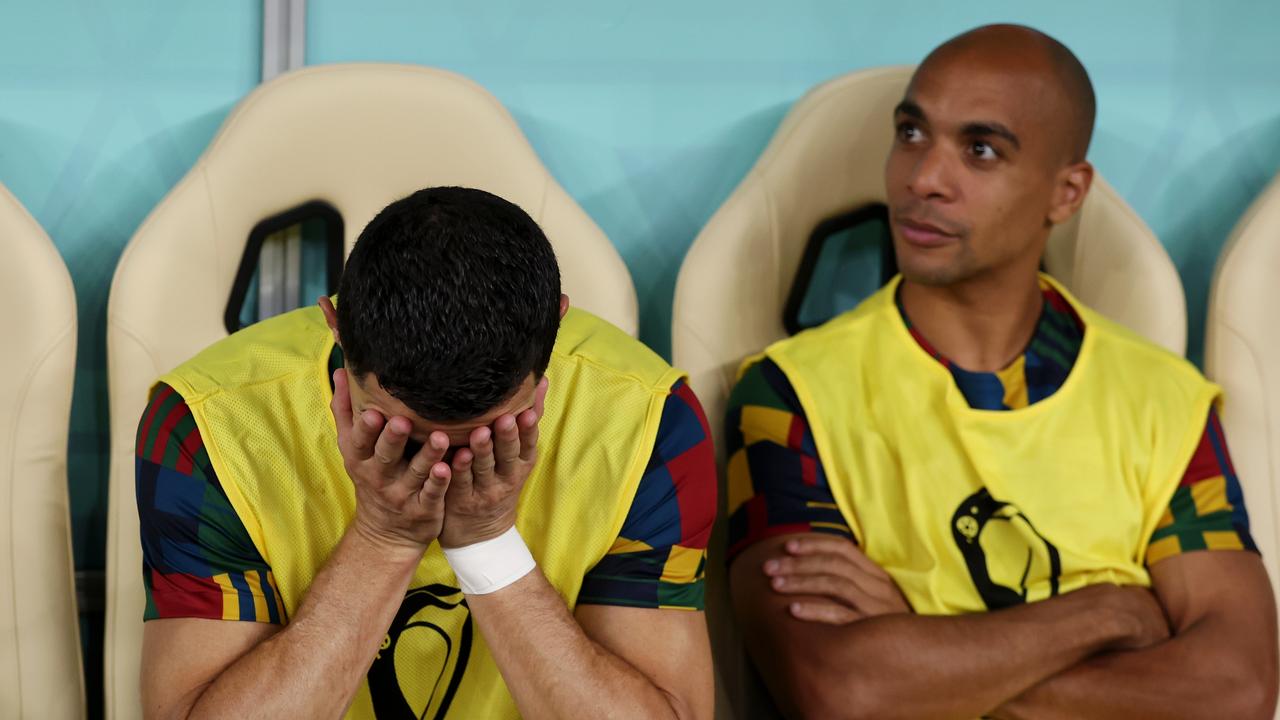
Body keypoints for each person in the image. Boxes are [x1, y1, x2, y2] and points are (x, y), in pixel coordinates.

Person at [726, 24, 1278, 720]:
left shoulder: (1165, 403)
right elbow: (843, 692)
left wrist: (923, 651)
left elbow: (1238, 690)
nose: (922, 178)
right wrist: (1107, 614)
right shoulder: (787, 395)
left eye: (980, 150)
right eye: (910, 132)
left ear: (1067, 193)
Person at [136, 186, 716, 718]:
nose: (442, 468)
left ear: (554, 328)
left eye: (495, 433)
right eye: (400, 431)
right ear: (336, 326)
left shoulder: (650, 421)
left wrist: (488, 540)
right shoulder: (207, 422)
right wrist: (382, 538)